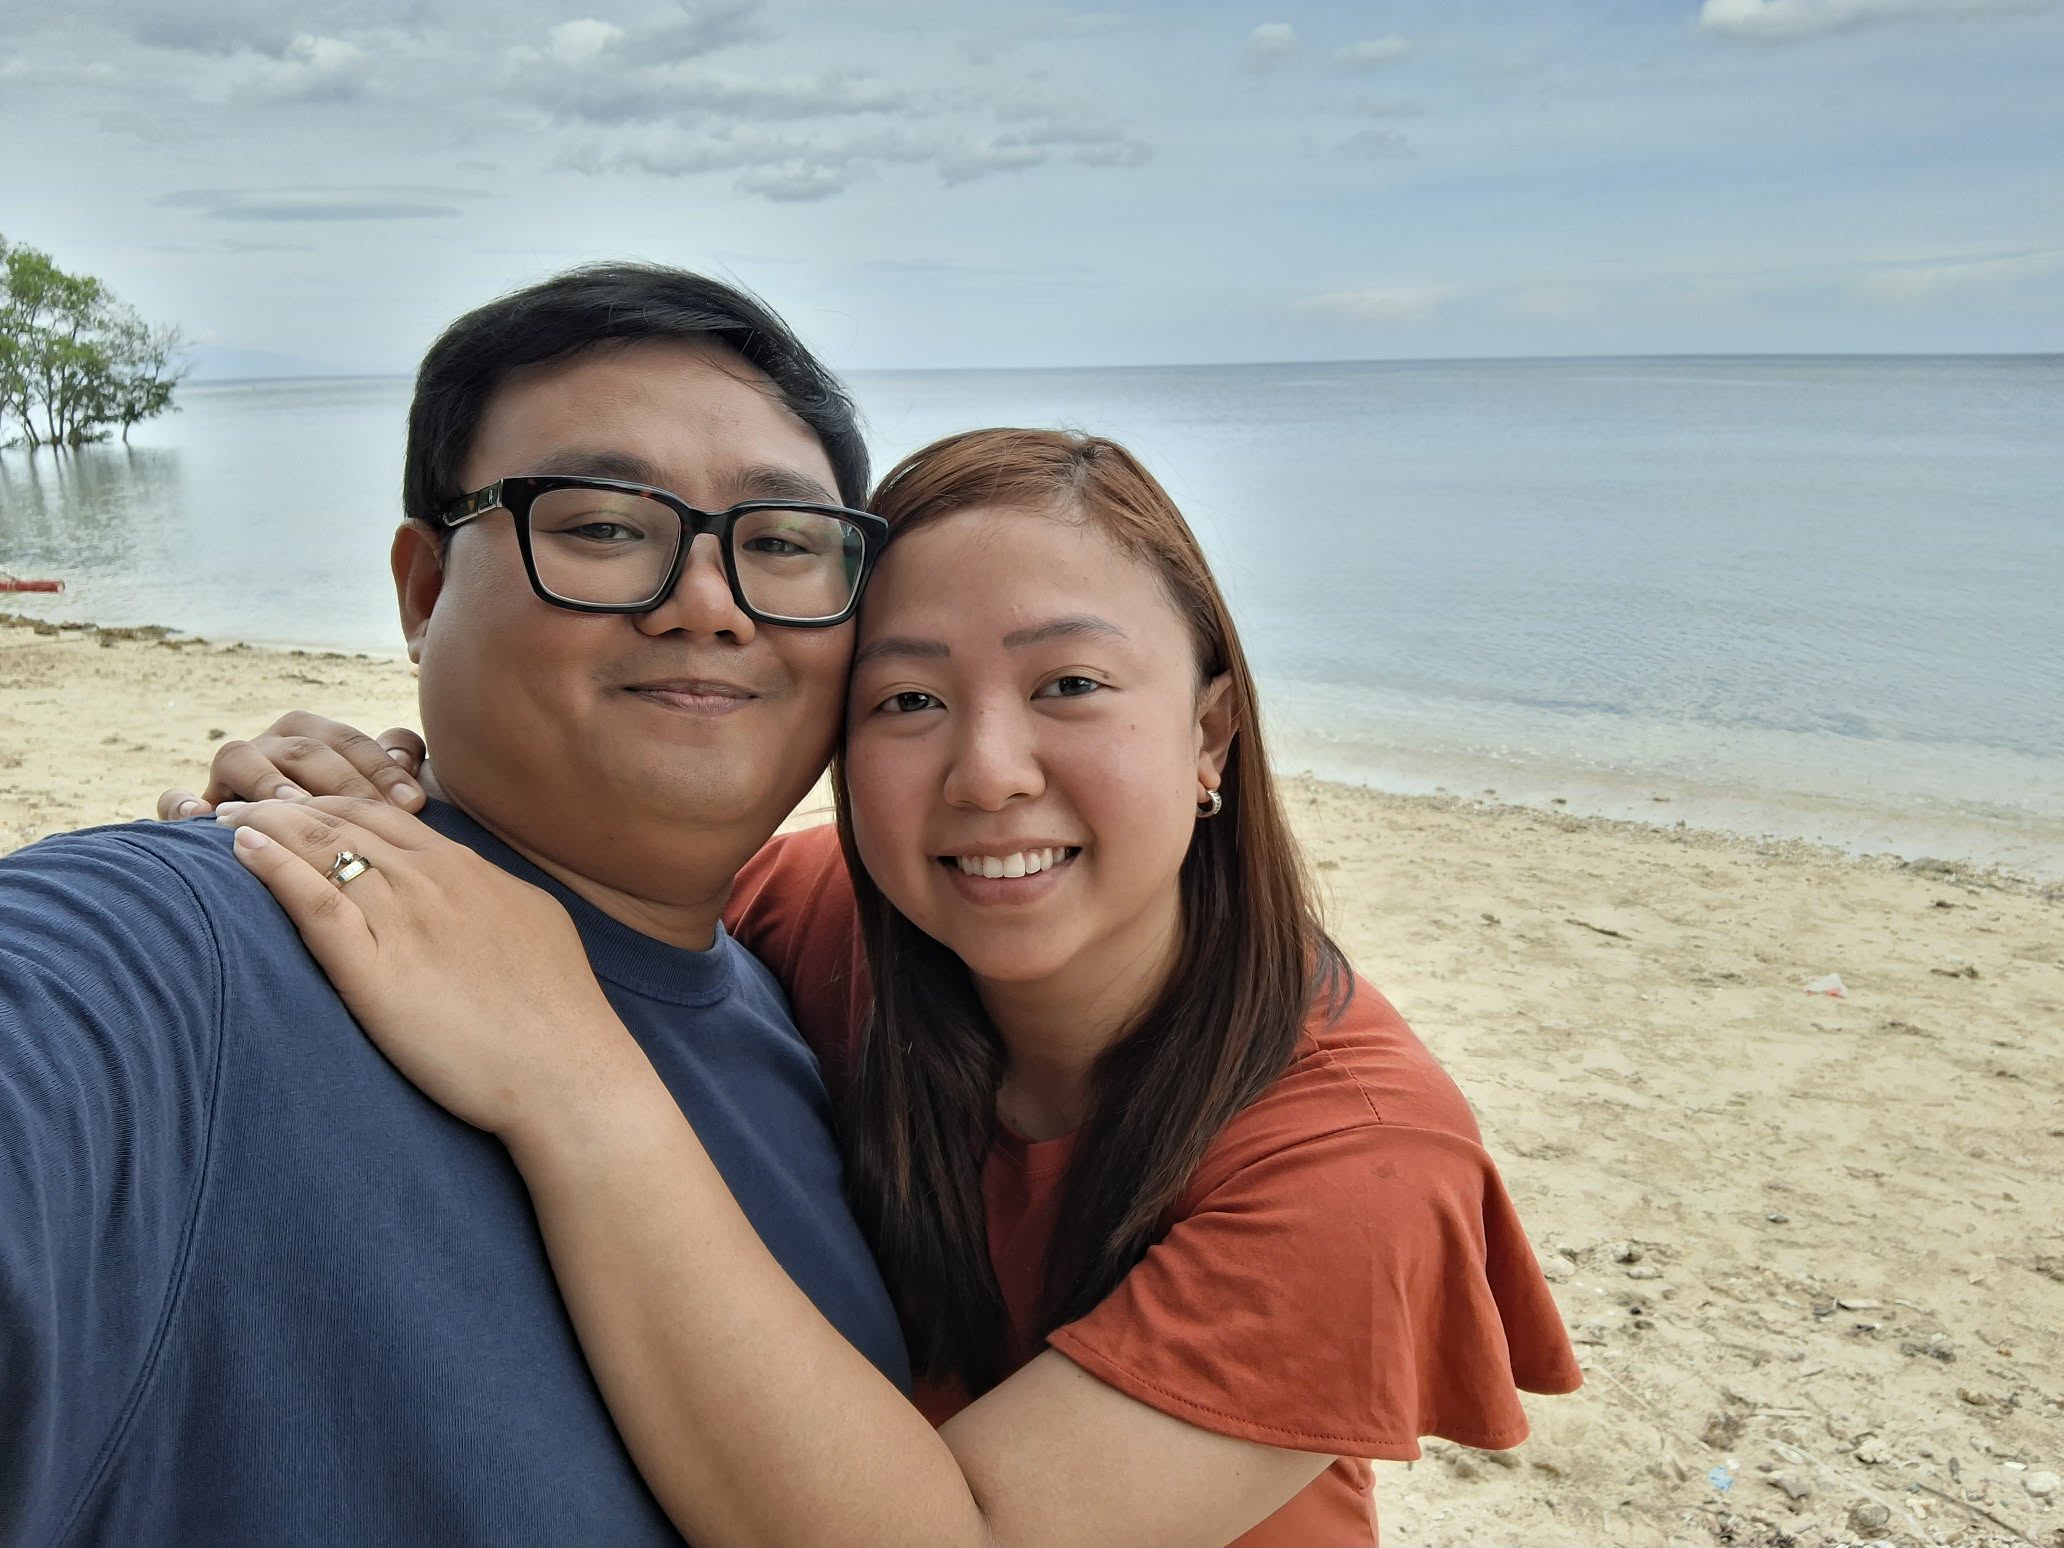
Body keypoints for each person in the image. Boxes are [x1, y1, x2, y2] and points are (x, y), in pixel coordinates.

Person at [193, 428, 1583, 1547]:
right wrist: (384, 794)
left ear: (1210, 731)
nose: (988, 772)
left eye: (1073, 684)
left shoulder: (1363, 1161)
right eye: (906, 701)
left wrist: (581, 1087)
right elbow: (565, 896)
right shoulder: (826, 917)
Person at [0, 263, 911, 1547]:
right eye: (601, 525)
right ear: (424, 593)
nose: (708, 604)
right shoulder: (197, 948)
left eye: (781, 544)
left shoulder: (814, 989)